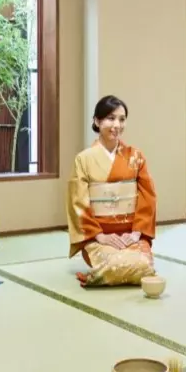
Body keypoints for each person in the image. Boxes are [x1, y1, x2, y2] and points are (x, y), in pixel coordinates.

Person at [67, 95, 157, 287]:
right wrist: (99, 235)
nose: (117, 124)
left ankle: (102, 274)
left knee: (144, 265)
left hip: (129, 236)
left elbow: (147, 197)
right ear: (97, 121)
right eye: (110, 118)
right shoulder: (83, 159)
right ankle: (101, 269)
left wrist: (137, 232)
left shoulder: (136, 157)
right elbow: (78, 204)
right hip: (99, 238)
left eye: (122, 119)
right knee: (116, 264)